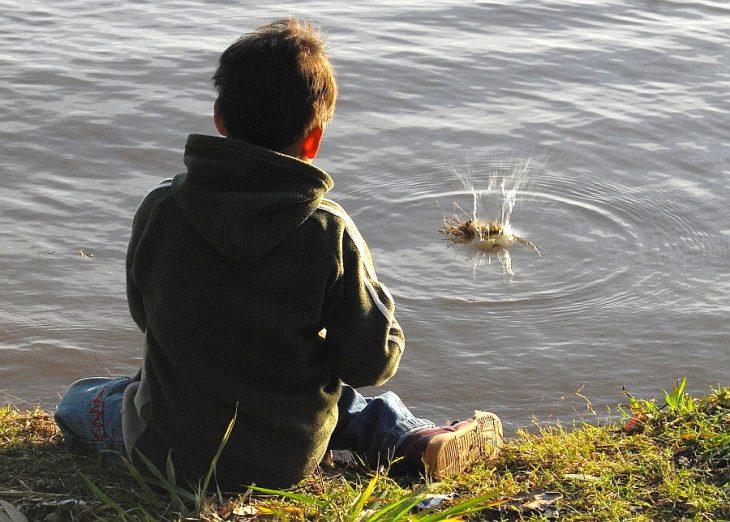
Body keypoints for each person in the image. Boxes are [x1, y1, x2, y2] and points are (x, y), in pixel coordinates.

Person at [54, 18, 503, 491]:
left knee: (79, 400)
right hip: (282, 458)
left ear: (219, 118)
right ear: (314, 140)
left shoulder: (161, 208)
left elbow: (145, 315)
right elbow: (369, 365)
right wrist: (379, 316)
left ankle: (402, 436)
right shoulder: (328, 230)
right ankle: (414, 439)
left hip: (166, 450)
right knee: (340, 401)